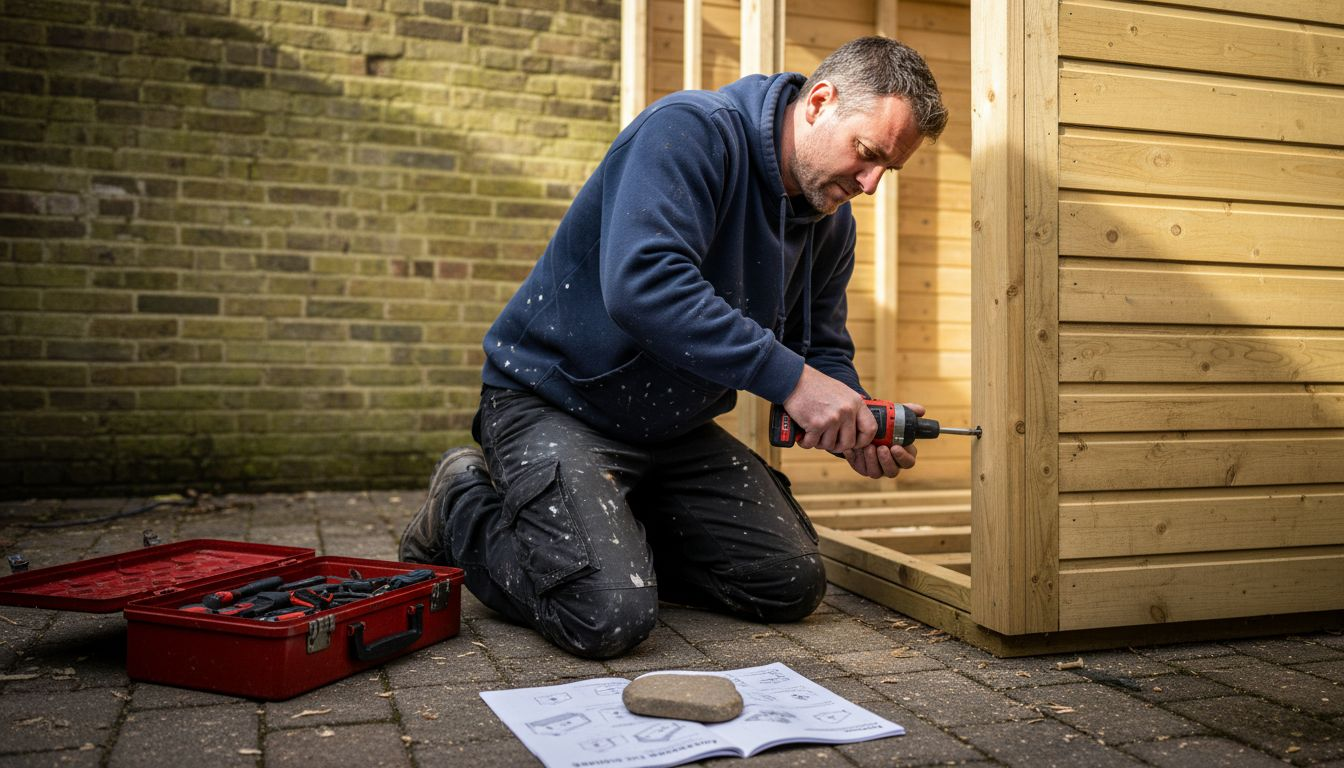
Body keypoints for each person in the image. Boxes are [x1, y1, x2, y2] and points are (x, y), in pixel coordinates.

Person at [400, 36, 948, 659]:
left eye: (887, 170)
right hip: (555, 403)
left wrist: (850, 413)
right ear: (820, 102)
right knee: (605, 614)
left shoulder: (830, 224)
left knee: (787, 582)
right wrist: (795, 383)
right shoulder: (690, 132)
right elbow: (645, 286)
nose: (871, 184)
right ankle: (462, 505)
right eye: (867, 154)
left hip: (671, 429)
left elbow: (819, 346)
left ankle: (608, 540)